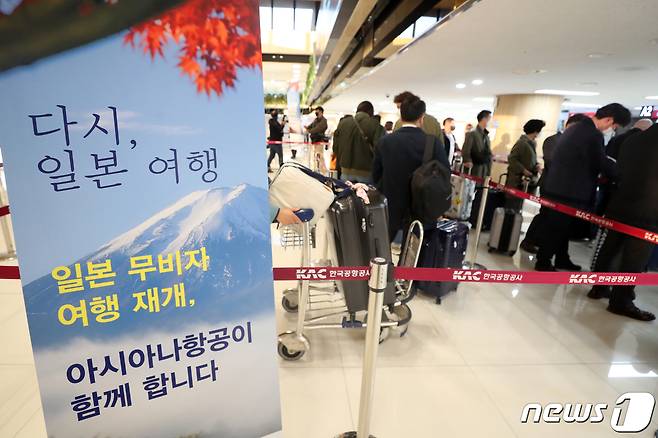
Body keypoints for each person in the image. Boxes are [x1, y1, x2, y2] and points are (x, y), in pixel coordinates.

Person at [535, 103, 631, 271]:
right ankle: (543, 261)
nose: (613, 130)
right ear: (609, 120)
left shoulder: (576, 128)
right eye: (614, 126)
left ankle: (562, 259)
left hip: (558, 187)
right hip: (570, 192)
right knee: (557, 228)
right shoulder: (593, 135)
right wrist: (620, 173)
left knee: (561, 228)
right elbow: (600, 161)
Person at [587, 124, 658, 321]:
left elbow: (618, 170)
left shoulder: (634, 139)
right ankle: (621, 301)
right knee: (634, 259)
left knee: (609, 249)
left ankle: (598, 288)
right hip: (648, 211)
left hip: (619, 204)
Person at [372, 95, 450, 241]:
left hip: (391, 208)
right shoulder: (432, 143)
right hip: (422, 208)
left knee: (385, 251)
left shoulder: (385, 142)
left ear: (401, 117)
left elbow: (376, 175)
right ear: (421, 117)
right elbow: (444, 174)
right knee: (415, 253)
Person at [520, 113, 589, 253]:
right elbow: (553, 162)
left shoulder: (575, 142)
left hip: (564, 188)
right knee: (545, 214)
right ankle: (529, 241)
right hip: (550, 185)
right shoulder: (553, 140)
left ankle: (545, 245)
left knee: (554, 218)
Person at [597, 119, 653, 214]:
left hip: (606, 181)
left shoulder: (617, 138)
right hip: (626, 187)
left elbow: (605, 157)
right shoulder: (643, 143)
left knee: (600, 208)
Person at [333, 101, 385, 183]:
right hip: (367, 173)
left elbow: (335, 148)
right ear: (370, 111)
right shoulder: (375, 125)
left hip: (345, 171)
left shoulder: (343, 123)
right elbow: (380, 151)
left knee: (346, 195)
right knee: (365, 195)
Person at [505, 119, 545, 211]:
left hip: (526, 183)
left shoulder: (531, 143)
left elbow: (531, 159)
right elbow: (512, 159)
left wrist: (537, 165)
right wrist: (523, 170)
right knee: (513, 207)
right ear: (535, 131)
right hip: (517, 182)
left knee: (519, 207)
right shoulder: (522, 143)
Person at [462, 110, 493, 178]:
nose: (490, 122)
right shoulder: (472, 134)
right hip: (474, 168)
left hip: (484, 169)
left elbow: (489, 153)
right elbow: (466, 149)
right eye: (489, 119)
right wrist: (467, 160)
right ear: (484, 119)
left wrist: (489, 172)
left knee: (481, 187)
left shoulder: (486, 136)